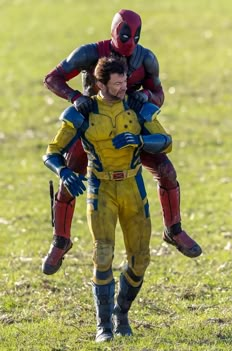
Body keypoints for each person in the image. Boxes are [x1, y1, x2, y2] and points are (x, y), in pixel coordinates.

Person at [42, 9, 202, 275]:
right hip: (91, 126)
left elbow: (159, 93)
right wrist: (75, 97)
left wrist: (148, 96)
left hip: (128, 127)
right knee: (68, 178)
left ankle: (174, 230)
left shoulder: (147, 59)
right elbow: (52, 78)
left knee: (166, 171)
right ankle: (60, 241)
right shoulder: (87, 53)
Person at [43, 56, 172, 342]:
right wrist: (64, 171)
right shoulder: (83, 113)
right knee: (103, 254)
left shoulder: (137, 107)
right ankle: (104, 326)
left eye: (125, 80)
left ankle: (121, 313)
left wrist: (138, 141)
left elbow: (166, 141)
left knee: (141, 259)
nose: (124, 86)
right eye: (117, 83)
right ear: (101, 84)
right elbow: (51, 152)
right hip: (100, 189)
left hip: (133, 188)